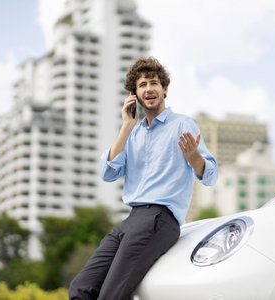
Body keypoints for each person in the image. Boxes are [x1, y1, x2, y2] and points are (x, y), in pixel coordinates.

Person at [69, 57, 218, 300]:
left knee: (111, 295)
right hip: (131, 220)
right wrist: (126, 127)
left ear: (164, 89)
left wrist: (194, 159)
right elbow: (108, 173)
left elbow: (211, 176)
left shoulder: (182, 124)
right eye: (142, 85)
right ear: (134, 94)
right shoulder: (133, 134)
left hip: (159, 218)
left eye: (154, 83)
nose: (149, 88)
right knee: (81, 288)